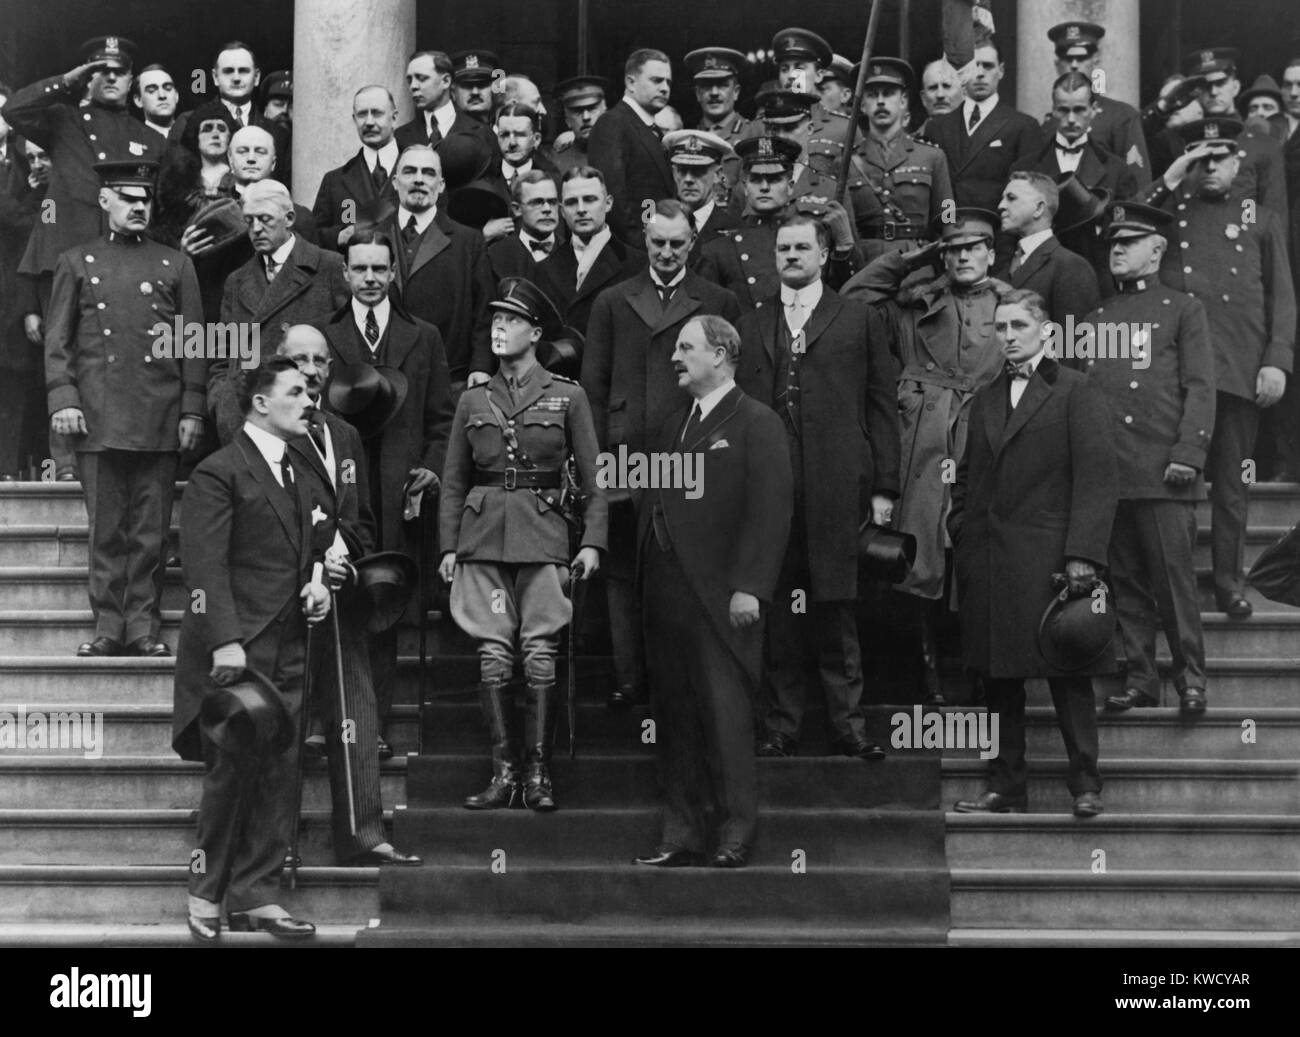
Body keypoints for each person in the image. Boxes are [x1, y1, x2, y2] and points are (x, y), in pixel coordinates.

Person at [172, 357, 331, 941]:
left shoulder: (303, 470)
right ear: (261, 403)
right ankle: (204, 890)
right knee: (231, 773)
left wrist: (317, 581)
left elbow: (316, 538)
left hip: (290, 645)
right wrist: (228, 642)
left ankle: (258, 894)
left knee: (280, 771)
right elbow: (204, 568)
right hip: (237, 650)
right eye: (296, 391)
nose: (309, 400)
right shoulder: (220, 471)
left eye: (310, 391)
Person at [438, 277, 607, 812]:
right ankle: (503, 772)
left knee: (539, 653)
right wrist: (448, 546)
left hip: (544, 534)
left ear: (535, 332)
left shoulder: (567, 396)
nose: (499, 328)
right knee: (492, 653)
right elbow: (453, 481)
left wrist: (594, 542)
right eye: (495, 320)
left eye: (511, 320)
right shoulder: (472, 399)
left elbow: (595, 476)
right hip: (482, 536)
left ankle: (538, 774)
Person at [949, 288, 1116, 817]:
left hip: (1052, 560)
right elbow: (969, 477)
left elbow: (1096, 479)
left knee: (1068, 675)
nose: (1008, 337)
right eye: (1000, 328)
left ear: (1046, 331)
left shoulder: (1075, 390)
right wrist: (963, 529)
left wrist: (1082, 554)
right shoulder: (985, 396)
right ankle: (1006, 786)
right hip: (992, 557)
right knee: (999, 680)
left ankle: (1085, 784)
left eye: (1019, 326)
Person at [738, 213, 899, 759]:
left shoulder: (858, 319)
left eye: (802, 247)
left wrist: (885, 489)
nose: (791, 256)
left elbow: (881, 405)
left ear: (824, 254)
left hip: (837, 485)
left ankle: (847, 727)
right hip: (770, 489)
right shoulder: (751, 320)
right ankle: (781, 726)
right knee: (779, 608)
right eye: (783, 247)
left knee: (835, 607)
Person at [633, 315, 792, 869]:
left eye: (686, 347)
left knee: (726, 720)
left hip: (724, 599)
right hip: (667, 597)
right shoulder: (671, 425)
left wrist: (751, 588)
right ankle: (683, 832)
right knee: (676, 718)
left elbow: (770, 513)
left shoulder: (758, 422)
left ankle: (735, 832)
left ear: (721, 354)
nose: (675, 357)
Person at [841, 209, 1007, 704]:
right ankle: (928, 674)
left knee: (976, 555)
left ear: (992, 254)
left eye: (973, 247)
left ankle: (979, 671)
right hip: (922, 439)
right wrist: (912, 258)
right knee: (920, 557)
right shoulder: (915, 304)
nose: (962, 256)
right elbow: (854, 299)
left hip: (983, 434)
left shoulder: (1012, 305)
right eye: (952, 248)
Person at [583, 199, 741, 710]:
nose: (668, 252)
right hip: (626, 447)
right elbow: (594, 383)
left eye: (678, 243)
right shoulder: (612, 300)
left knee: (685, 561)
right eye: (658, 243)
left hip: (689, 448)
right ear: (645, 241)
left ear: (692, 243)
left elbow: (734, 387)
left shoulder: (717, 300)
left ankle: (684, 676)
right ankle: (630, 676)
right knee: (624, 566)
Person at [44, 160, 204, 658]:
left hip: (157, 413)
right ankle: (108, 626)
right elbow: (57, 341)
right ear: (105, 201)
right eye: (129, 198)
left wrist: (192, 408)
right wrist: (63, 399)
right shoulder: (77, 261)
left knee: (150, 531)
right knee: (108, 529)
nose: (139, 207)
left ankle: (142, 627)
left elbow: (193, 343)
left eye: (146, 200)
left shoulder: (174, 263)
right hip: (97, 415)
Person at [275, 325, 420, 867]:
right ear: (280, 368)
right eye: (299, 360)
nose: (312, 370)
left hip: (342, 588)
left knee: (355, 708)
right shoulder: (270, 435)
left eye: (320, 360)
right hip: (289, 594)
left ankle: (363, 835)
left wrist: (346, 560)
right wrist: (311, 563)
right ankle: (277, 847)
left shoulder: (345, 434)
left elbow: (357, 515)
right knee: (284, 716)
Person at [1151, 118, 1295, 617]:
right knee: (1171, 480)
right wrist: (1169, 179)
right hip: (1175, 372)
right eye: (1200, 157)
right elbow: (1113, 230)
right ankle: (1171, 584)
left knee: (1234, 485)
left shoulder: (1260, 216)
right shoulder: (1168, 212)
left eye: (1220, 157)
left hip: (1236, 367)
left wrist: (1277, 359)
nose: (1210, 167)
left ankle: (1229, 581)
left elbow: (1283, 298)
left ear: (1238, 162)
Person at [320, 228, 453, 755]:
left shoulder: (423, 335)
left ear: (393, 273)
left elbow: (442, 418)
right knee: (339, 597)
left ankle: (371, 729)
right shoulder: (322, 336)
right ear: (345, 273)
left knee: (383, 600)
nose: (371, 279)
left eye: (380, 269)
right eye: (361, 269)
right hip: (342, 493)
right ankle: (331, 721)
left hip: (399, 491)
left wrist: (432, 469)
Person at [1086, 202, 1215, 715]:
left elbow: (1201, 387)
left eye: (1130, 241)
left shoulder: (1184, 309)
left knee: (1173, 583)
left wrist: (1189, 452)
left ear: (1157, 248)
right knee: (1126, 584)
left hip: (1165, 471)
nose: (1117, 249)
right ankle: (1141, 678)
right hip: (1112, 473)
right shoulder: (1096, 317)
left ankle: (1191, 681)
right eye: (1113, 242)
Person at [208, 180, 350, 443]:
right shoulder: (237, 281)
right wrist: (223, 405)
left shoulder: (330, 268)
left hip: (308, 422)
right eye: (249, 221)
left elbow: (348, 352)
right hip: (248, 421)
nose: (256, 229)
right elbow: (222, 357)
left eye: (265, 219)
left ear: (290, 218)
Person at [370, 143, 494, 390]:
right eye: (409, 172)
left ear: (442, 185)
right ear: (395, 182)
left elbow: (484, 310)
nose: (418, 180)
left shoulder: (468, 241)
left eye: (428, 173)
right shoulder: (370, 238)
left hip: (448, 379)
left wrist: (481, 366)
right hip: (383, 381)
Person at [698, 136, 859, 313]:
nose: (765, 187)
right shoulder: (721, 246)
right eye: (756, 180)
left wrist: (845, 245)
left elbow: (845, 291)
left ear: (790, 186)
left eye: (774, 179)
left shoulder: (812, 239)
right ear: (745, 187)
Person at [1147, 48, 1286, 216]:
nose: (1213, 92)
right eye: (1205, 86)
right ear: (1195, 92)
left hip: (1244, 236)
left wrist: (1248, 228)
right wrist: (1163, 107)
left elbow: (1272, 213)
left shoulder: (1262, 144)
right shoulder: (1175, 141)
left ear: (1235, 87)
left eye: (1221, 83)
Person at [923, 36, 1045, 213]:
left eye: (988, 66)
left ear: (1001, 71)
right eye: (973, 66)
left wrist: (1001, 239)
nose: (980, 73)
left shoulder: (1023, 126)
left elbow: (1022, 195)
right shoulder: (938, 127)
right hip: (950, 232)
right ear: (962, 72)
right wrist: (947, 228)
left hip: (996, 232)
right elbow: (939, 191)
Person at [853, 58, 955, 261]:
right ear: (863, 105)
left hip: (916, 262)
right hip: (866, 263)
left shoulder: (932, 157)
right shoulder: (848, 161)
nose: (880, 101)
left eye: (889, 94)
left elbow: (947, 216)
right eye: (872, 95)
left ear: (903, 101)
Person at [534, 165, 646, 337]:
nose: (580, 209)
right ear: (562, 211)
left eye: (589, 199)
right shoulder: (544, 269)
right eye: (571, 202)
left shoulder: (638, 265)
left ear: (608, 203)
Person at [1045, 21, 1150, 189]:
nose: (1074, 65)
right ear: (1057, 64)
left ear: (1095, 59)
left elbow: (1137, 182)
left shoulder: (1121, 115)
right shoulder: (1049, 123)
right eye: (1067, 58)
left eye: (1081, 58)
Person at [587, 49, 676, 244]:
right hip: (631, 253)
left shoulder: (652, 130)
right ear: (631, 82)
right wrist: (640, 244)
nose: (665, 88)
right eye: (656, 80)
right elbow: (613, 196)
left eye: (668, 82)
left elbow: (650, 198)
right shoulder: (612, 123)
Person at [994, 171, 1100, 334]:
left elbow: (1073, 347)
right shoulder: (1005, 267)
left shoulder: (1070, 267)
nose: (1001, 206)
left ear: (1039, 208)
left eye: (1011, 198)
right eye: (1003, 198)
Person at [311, 85, 401, 253]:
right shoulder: (334, 181)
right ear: (354, 120)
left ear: (394, 118)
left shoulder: (419, 170)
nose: (368, 122)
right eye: (361, 115)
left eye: (377, 113)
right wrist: (338, 236)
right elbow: (313, 236)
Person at [395, 49, 499, 159]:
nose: (413, 86)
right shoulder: (400, 136)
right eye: (410, 80)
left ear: (446, 81)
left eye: (422, 78)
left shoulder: (484, 134)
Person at [662, 129, 740, 265]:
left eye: (698, 171)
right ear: (674, 174)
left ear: (717, 175)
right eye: (682, 170)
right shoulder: (659, 225)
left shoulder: (734, 229)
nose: (688, 179)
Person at [685, 47, 752, 202]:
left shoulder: (753, 133)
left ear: (736, 92)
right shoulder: (687, 138)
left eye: (722, 85)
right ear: (697, 93)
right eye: (707, 86)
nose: (714, 92)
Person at [487, 169, 562, 283]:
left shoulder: (572, 251)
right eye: (537, 202)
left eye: (552, 202)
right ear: (517, 209)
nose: (547, 209)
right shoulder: (496, 255)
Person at [545, 76, 607, 177]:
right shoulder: (554, 164)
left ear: (605, 112)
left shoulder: (624, 154)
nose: (586, 117)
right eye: (577, 111)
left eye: (592, 109)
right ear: (567, 120)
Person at [450, 50, 501, 125]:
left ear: (495, 90)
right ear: (453, 92)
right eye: (467, 85)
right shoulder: (442, 132)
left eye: (482, 84)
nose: (475, 92)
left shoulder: (506, 130)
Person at [132, 64, 179, 139]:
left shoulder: (194, 137)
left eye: (168, 88)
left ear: (176, 96)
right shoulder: (131, 139)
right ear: (138, 100)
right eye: (152, 91)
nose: (162, 95)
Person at [920, 58, 964, 126]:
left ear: (964, 93)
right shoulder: (913, 137)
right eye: (933, 88)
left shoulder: (980, 135)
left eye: (947, 86)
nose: (940, 95)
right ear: (924, 99)